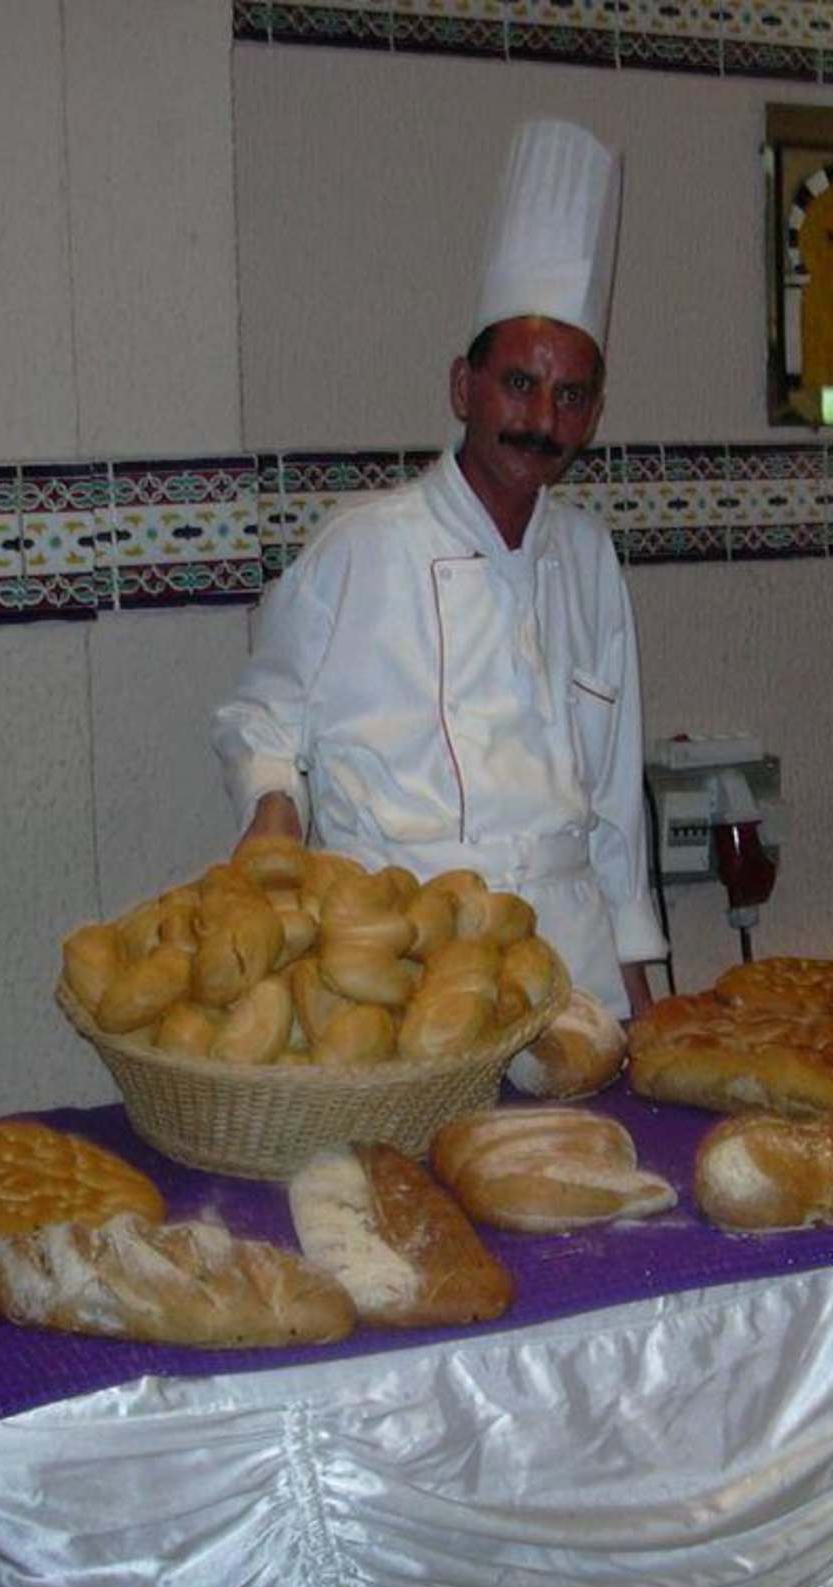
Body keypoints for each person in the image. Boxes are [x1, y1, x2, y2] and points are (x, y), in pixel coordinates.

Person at [210, 118, 664, 1019]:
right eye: (519, 384)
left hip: (571, 974)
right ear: (464, 387)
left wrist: (642, 999)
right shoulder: (362, 548)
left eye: (570, 395)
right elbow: (261, 717)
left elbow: (615, 803)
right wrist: (273, 804)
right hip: (404, 972)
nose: (542, 420)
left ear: (594, 414)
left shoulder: (588, 557)